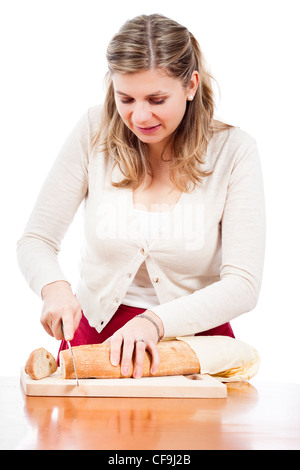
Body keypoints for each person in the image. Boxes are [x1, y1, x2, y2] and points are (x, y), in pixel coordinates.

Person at [17, 14, 265, 379]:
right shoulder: (93, 132)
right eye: (126, 98)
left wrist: (155, 321)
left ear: (191, 85)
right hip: (95, 343)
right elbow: (36, 239)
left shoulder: (234, 151)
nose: (140, 115)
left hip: (195, 347)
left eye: (157, 98)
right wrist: (54, 289)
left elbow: (243, 285)